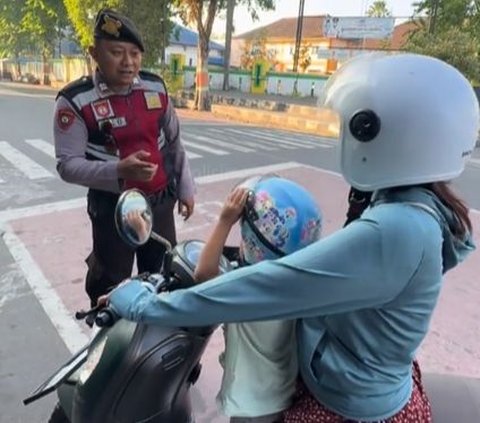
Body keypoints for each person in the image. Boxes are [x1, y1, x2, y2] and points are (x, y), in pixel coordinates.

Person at [101, 53, 479, 422]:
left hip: (351, 404)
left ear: (379, 135)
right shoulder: (420, 206)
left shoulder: (395, 230)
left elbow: (263, 287)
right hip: (367, 378)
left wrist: (143, 306)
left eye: (352, 126)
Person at [53, 8, 195, 306]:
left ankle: (154, 345)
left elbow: (173, 140)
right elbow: (68, 165)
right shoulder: (75, 100)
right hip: (112, 209)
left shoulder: (155, 87)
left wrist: (185, 188)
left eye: (134, 53)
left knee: (162, 278)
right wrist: (118, 170)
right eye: (117, 52)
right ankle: (109, 345)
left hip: (158, 203)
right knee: (111, 288)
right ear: (94, 52)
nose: (128, 62)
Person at [193, 176, 322, 423]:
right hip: (284, 393)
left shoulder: (245, 291)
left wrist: (224, 221)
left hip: (250, 405)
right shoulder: (302, 285)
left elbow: (204, 274)